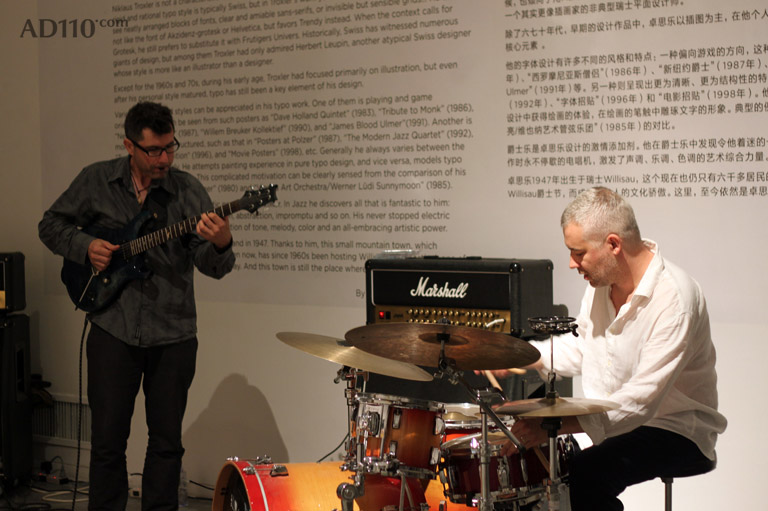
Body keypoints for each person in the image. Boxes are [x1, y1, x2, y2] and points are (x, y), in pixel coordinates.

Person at [39, 101, 235, 511]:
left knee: (166, 444)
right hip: (112, 327)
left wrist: (221, 243)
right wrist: (85, 246)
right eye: (154, 150)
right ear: (130, 145)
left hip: (173, 333)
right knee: (107, 442)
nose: (165, 159)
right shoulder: (97, 180)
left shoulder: (188, 191)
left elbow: (212, 266)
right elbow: (50, 225)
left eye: (170, 147)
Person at [494, 187, 727, 510]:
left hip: (677, 428)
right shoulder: (601, 286)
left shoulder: (675, 300)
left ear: (613, 245)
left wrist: (554, 426)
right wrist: (519, 357)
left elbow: (640, 400)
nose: (572, 264)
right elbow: (584, 348)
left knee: (588, 471)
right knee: (555, 464)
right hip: (621, 422)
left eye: (578, 253)